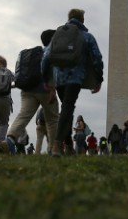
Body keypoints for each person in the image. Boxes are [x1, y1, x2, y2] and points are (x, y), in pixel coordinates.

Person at [41, 9, 104, 156]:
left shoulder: (57, 35)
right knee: (68, 108)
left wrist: (46, 79)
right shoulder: (86, 36)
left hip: (59, 78)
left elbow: (46, 57)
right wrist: (98, 79)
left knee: (66, 109)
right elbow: (97, 58)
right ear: (82, 20)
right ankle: (57, 144)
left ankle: (68, 145)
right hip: (75, 77)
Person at [0, 30, 61, 155]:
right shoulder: (51, 53)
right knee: (52, 118)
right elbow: (53, 72)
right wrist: (53, 89)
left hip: (27, 90)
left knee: (23, 115)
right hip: (45, 89)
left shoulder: (33, 54)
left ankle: (10, 139)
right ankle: (52, 149)